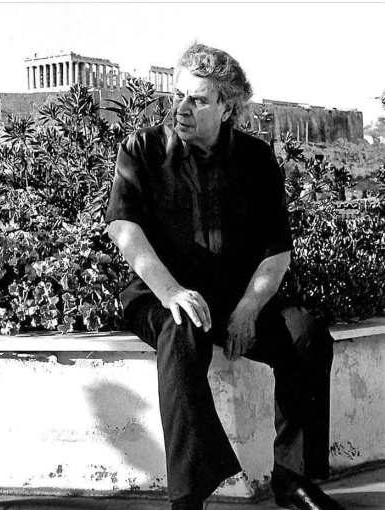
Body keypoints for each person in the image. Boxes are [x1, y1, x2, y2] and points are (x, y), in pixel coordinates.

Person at [105, 43, 343, 510]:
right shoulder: (142, 149)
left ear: (227, 108)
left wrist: (248, 309)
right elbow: (124, 229)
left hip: (235, 296)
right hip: (160, 293)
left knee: (307, 335)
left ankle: (293, 479)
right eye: (177, 95)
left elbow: (277, 251)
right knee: (182, 327)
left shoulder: (256, 158)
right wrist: (171, 291)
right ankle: (189, 496)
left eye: (197, 100)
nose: (181, 107)